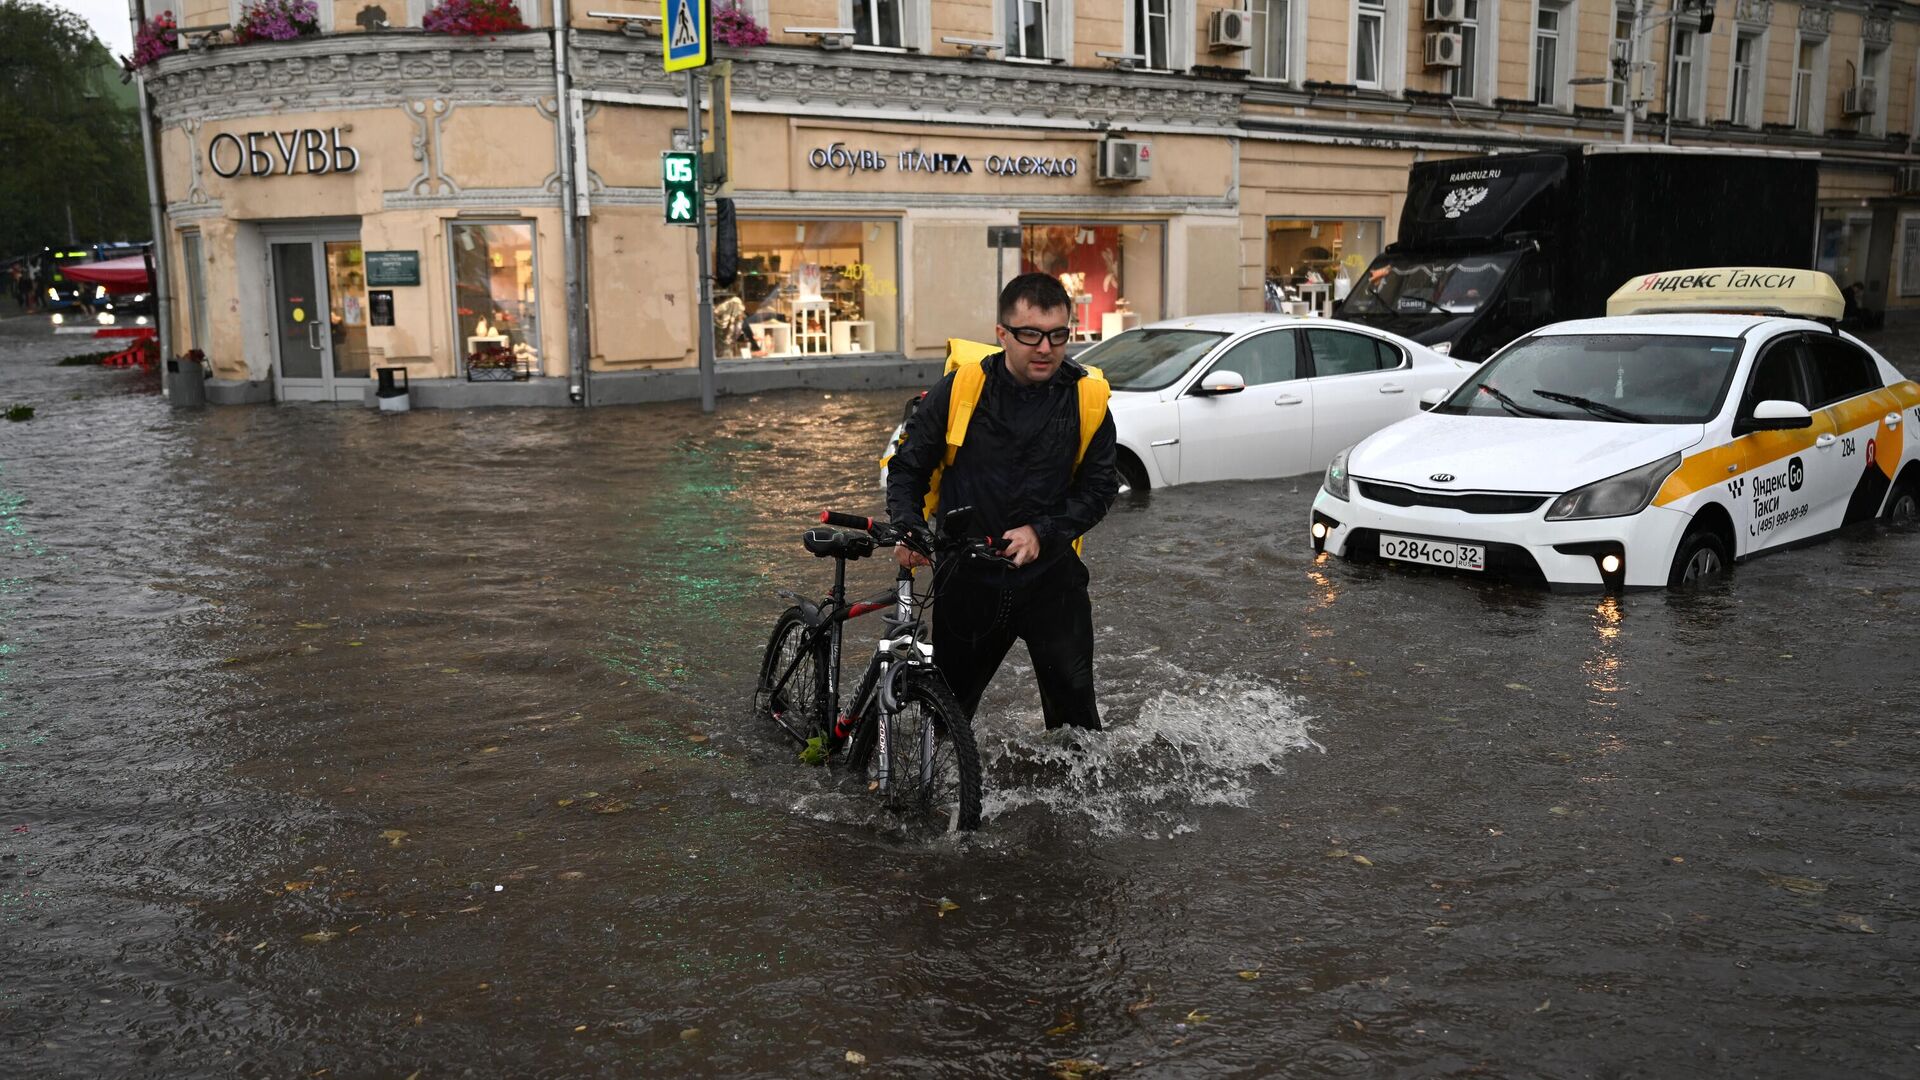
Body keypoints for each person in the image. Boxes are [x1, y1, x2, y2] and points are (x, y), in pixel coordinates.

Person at [884, 273, 1120, 732]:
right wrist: (910, 526)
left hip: (1052, 579)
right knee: (946, 715)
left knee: (1077, 722)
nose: (1045, 348)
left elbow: (1099, 488)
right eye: (1030, 334)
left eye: (1057, 335)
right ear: (1002, 334)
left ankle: (1073, 802)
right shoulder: (961, 389)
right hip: (968, 579)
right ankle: (938, 792)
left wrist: (1042, 532)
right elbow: (908, 466)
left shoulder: (1087, 398)